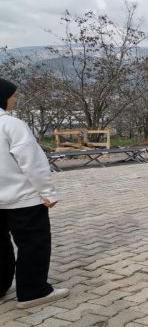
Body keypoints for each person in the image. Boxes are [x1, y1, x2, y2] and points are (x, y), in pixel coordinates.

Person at [0, 78, 69, 308]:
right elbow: (32, 162)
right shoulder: (11, 124)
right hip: (22, 200)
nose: (15, 100)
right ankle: (33, 291)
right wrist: (48, 192)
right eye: (13, 96)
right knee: (33, 244)